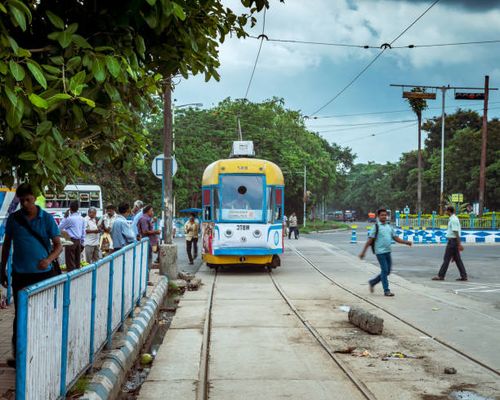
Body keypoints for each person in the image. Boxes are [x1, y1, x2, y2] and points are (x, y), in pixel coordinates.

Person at [0, 183, 62, 368]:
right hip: (20, 275)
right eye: (22, 201)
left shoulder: (47, 219)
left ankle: (43, 351)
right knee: (20, 315)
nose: (25, 204)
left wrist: (48, 260)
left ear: (34, 198)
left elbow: (58, 246)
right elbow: (7, 246)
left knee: (42, 313)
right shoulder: (14, 219)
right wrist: (2, 268)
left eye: (28, 199)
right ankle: (18, 355)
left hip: (43, 275)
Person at [359, 208, 412, 297]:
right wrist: (363, 252)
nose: (384, 216)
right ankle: (386, 290)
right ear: (378, 216)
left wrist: (406, 242)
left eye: (385, 215)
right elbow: (369, 241)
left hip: (388, 251)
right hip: (380, 252)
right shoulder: (376, 227)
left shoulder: (389, 227)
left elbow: (395, 238)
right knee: (384, 270)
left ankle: (372, 282)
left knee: (387, 271)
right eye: (382, 215)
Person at [432, 206, 468, 281]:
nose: (445, 212)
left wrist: (459, 244)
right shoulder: (452, 219)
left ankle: (441, 275)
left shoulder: (453, 220)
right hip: (453, 241)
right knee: (457, 259)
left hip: (452, 242)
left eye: (446, 210)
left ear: (449, 211)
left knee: (446, 259)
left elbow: (456, 232)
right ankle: (464, 276)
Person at [59, 200, 85, 271]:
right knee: (77, 261)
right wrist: (82, 242)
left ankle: (71, 280)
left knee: (70, 262)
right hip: (78, 241)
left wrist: (65, 217)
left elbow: (59, 227)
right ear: (78, 208)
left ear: (70, 208)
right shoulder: (81, 218)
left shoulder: (69, 219)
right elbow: (83, 232)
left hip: (70, 241)